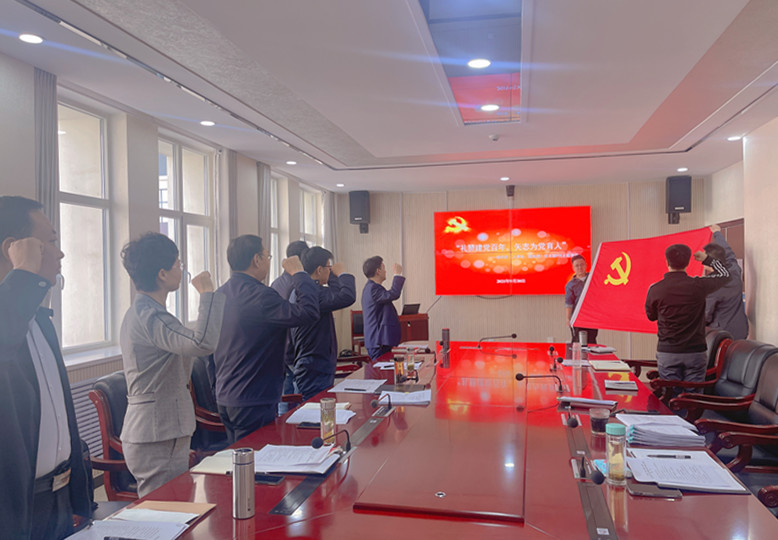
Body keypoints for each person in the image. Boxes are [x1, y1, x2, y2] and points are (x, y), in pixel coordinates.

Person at [0, 196, 91, 540]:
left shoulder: (38, 318)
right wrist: (23, 275)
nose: (60, 253)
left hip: (59, 499)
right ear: (14, 249)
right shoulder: (9, 323)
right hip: (17, 511)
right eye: (50, 242)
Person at [119, 232, 225, 497]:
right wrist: (207, 294)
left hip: (160, 430)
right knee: (164, 509)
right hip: (156, 433)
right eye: (178, 264)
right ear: (162, 274)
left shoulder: (148, 312)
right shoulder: (150, 316)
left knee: (173, 506)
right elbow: (202, 343)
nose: (182, 270)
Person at [212, 235, 319, 443]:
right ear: (256, 260)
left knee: (239, 457)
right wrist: (299, 274)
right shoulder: (261, 296)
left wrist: (215, 388)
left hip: (225, 395)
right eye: (267, 256)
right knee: (258, 457)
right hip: (253, 397)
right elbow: (308, 312)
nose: (269, 262)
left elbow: (210, 349)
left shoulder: (219, 294)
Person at [645, 243, 731, 384]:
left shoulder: (655, 289)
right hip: (695, 352)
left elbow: (651, 316)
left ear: (667, 262)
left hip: (668, 351)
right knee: (693, 395)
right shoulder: (699, 285)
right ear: (687, 263)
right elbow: (725, 274)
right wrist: (707, 259)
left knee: (670, 394)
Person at [290, 247, 356, 401]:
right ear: (319, 270)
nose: (330, 270)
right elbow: (346, 296)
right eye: (328, 267)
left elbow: (335, 293)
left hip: (313, 362)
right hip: (314, 365)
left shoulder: (305, 290)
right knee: (316, 409)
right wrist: (342, 274)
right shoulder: (313, 292)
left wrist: (331, 274)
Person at [270, 240, 309, 413]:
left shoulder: (276, 283)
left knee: (284, 395)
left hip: (280, 346)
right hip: (294, 347)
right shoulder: (298, 284)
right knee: (299, 396)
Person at [698, 224, 749, 340]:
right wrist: (717, 233)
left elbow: (705, 316)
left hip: (722, 335)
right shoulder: (734, 270)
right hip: (741, 330)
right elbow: (729, 253)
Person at [361, 256, 405, 361]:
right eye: (384, 268)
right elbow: (393, 294)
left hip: (380, 341)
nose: (385, 271)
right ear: (378, 271)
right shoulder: (372, 288)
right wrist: (397, 275)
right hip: (378, 341)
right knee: (379, 369)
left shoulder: (372, 287)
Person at [564, 254, 598, 344]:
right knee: (578, 341)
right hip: (578, 317)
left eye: (582, 264)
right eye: (577, 265)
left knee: (591, 341)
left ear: (586, 265)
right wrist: (568, 318)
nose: (580, 267)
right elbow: (569, 303)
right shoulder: (570, 285)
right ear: (573, 268)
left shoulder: (593, 278)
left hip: (592, 316)